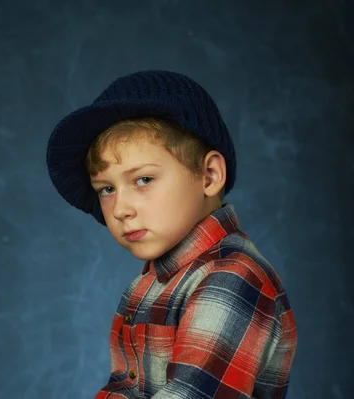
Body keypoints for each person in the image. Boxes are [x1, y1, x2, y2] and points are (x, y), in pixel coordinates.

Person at [45, 70, 297, 398]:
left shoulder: (232, 278)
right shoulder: (154, 282)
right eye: (107, 188)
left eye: (143, 180)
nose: (120, 208)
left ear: (209, 175)